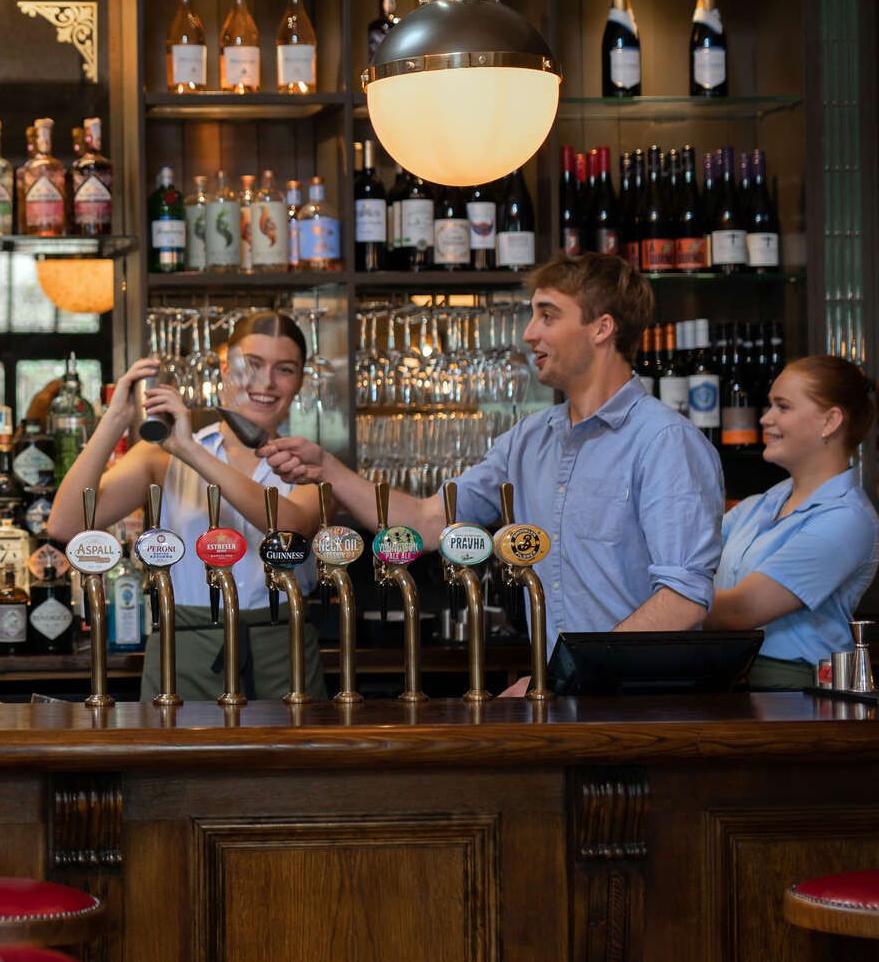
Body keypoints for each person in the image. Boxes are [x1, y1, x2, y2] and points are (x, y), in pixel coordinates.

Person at [262, 254, 724, 659]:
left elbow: (683, 598)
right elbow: (426, 523)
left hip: (644, 706)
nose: (528, 334)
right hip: (569, 701)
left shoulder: (665, 442)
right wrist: (330, 470)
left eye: (547, 316)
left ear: (602, 328)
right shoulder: (529, 440)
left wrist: (576, 678)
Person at [46, 311, 323, 701]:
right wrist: (115, 419)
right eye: (253, 365)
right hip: (185, 652)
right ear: (226, 367)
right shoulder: (159, 458)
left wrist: (190, 450)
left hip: (282, 651)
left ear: (300, 382)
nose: (265, 382)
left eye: (284, 369)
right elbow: (65, 524)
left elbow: (291, 530)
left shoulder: (309, 461)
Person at [705, 355, 879, 689]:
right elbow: (689, 554)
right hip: (731, 675)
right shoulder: (760, 504)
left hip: (795, 691)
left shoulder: (847, 521)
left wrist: (672, 602)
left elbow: (742, 610)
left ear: (830, 421)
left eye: (782, 407)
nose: (765, 419)